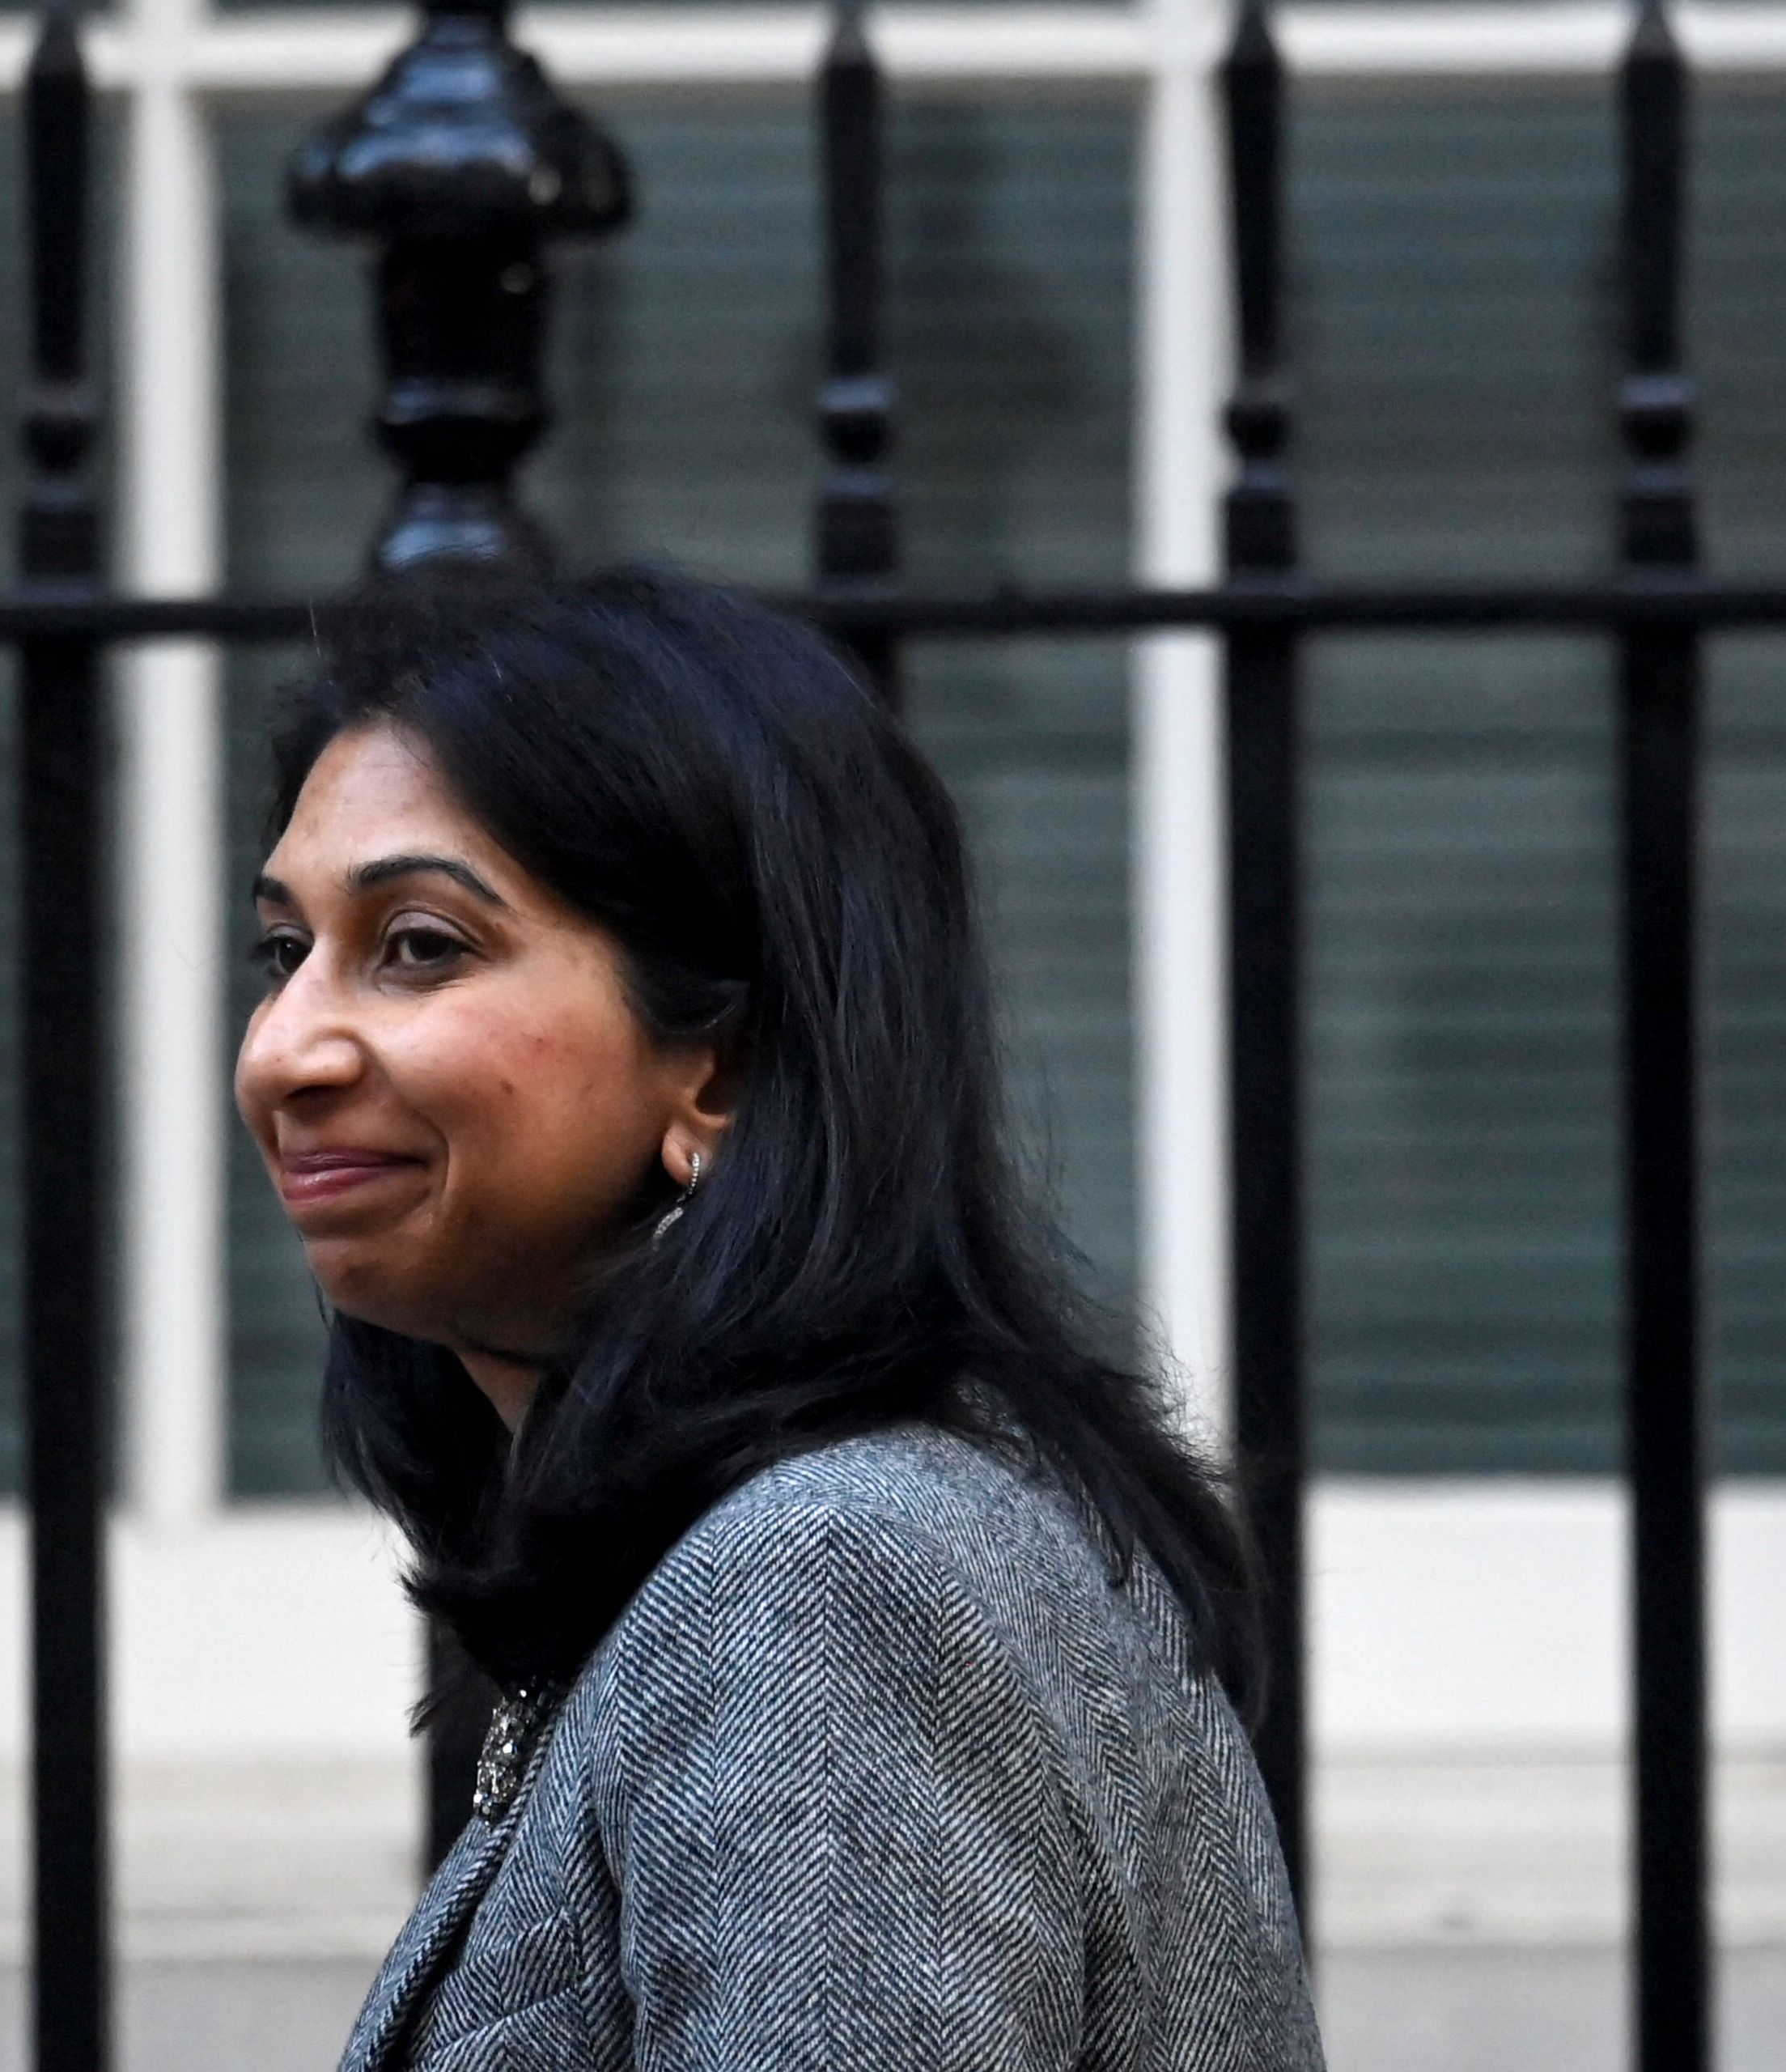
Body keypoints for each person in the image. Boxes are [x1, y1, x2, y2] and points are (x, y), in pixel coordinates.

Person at [232, 566, 1322, 2072]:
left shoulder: (823, 1579)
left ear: (724, 1069)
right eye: (283, 955)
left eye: (419, 945)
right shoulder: (803, 1535)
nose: (284, 1050)